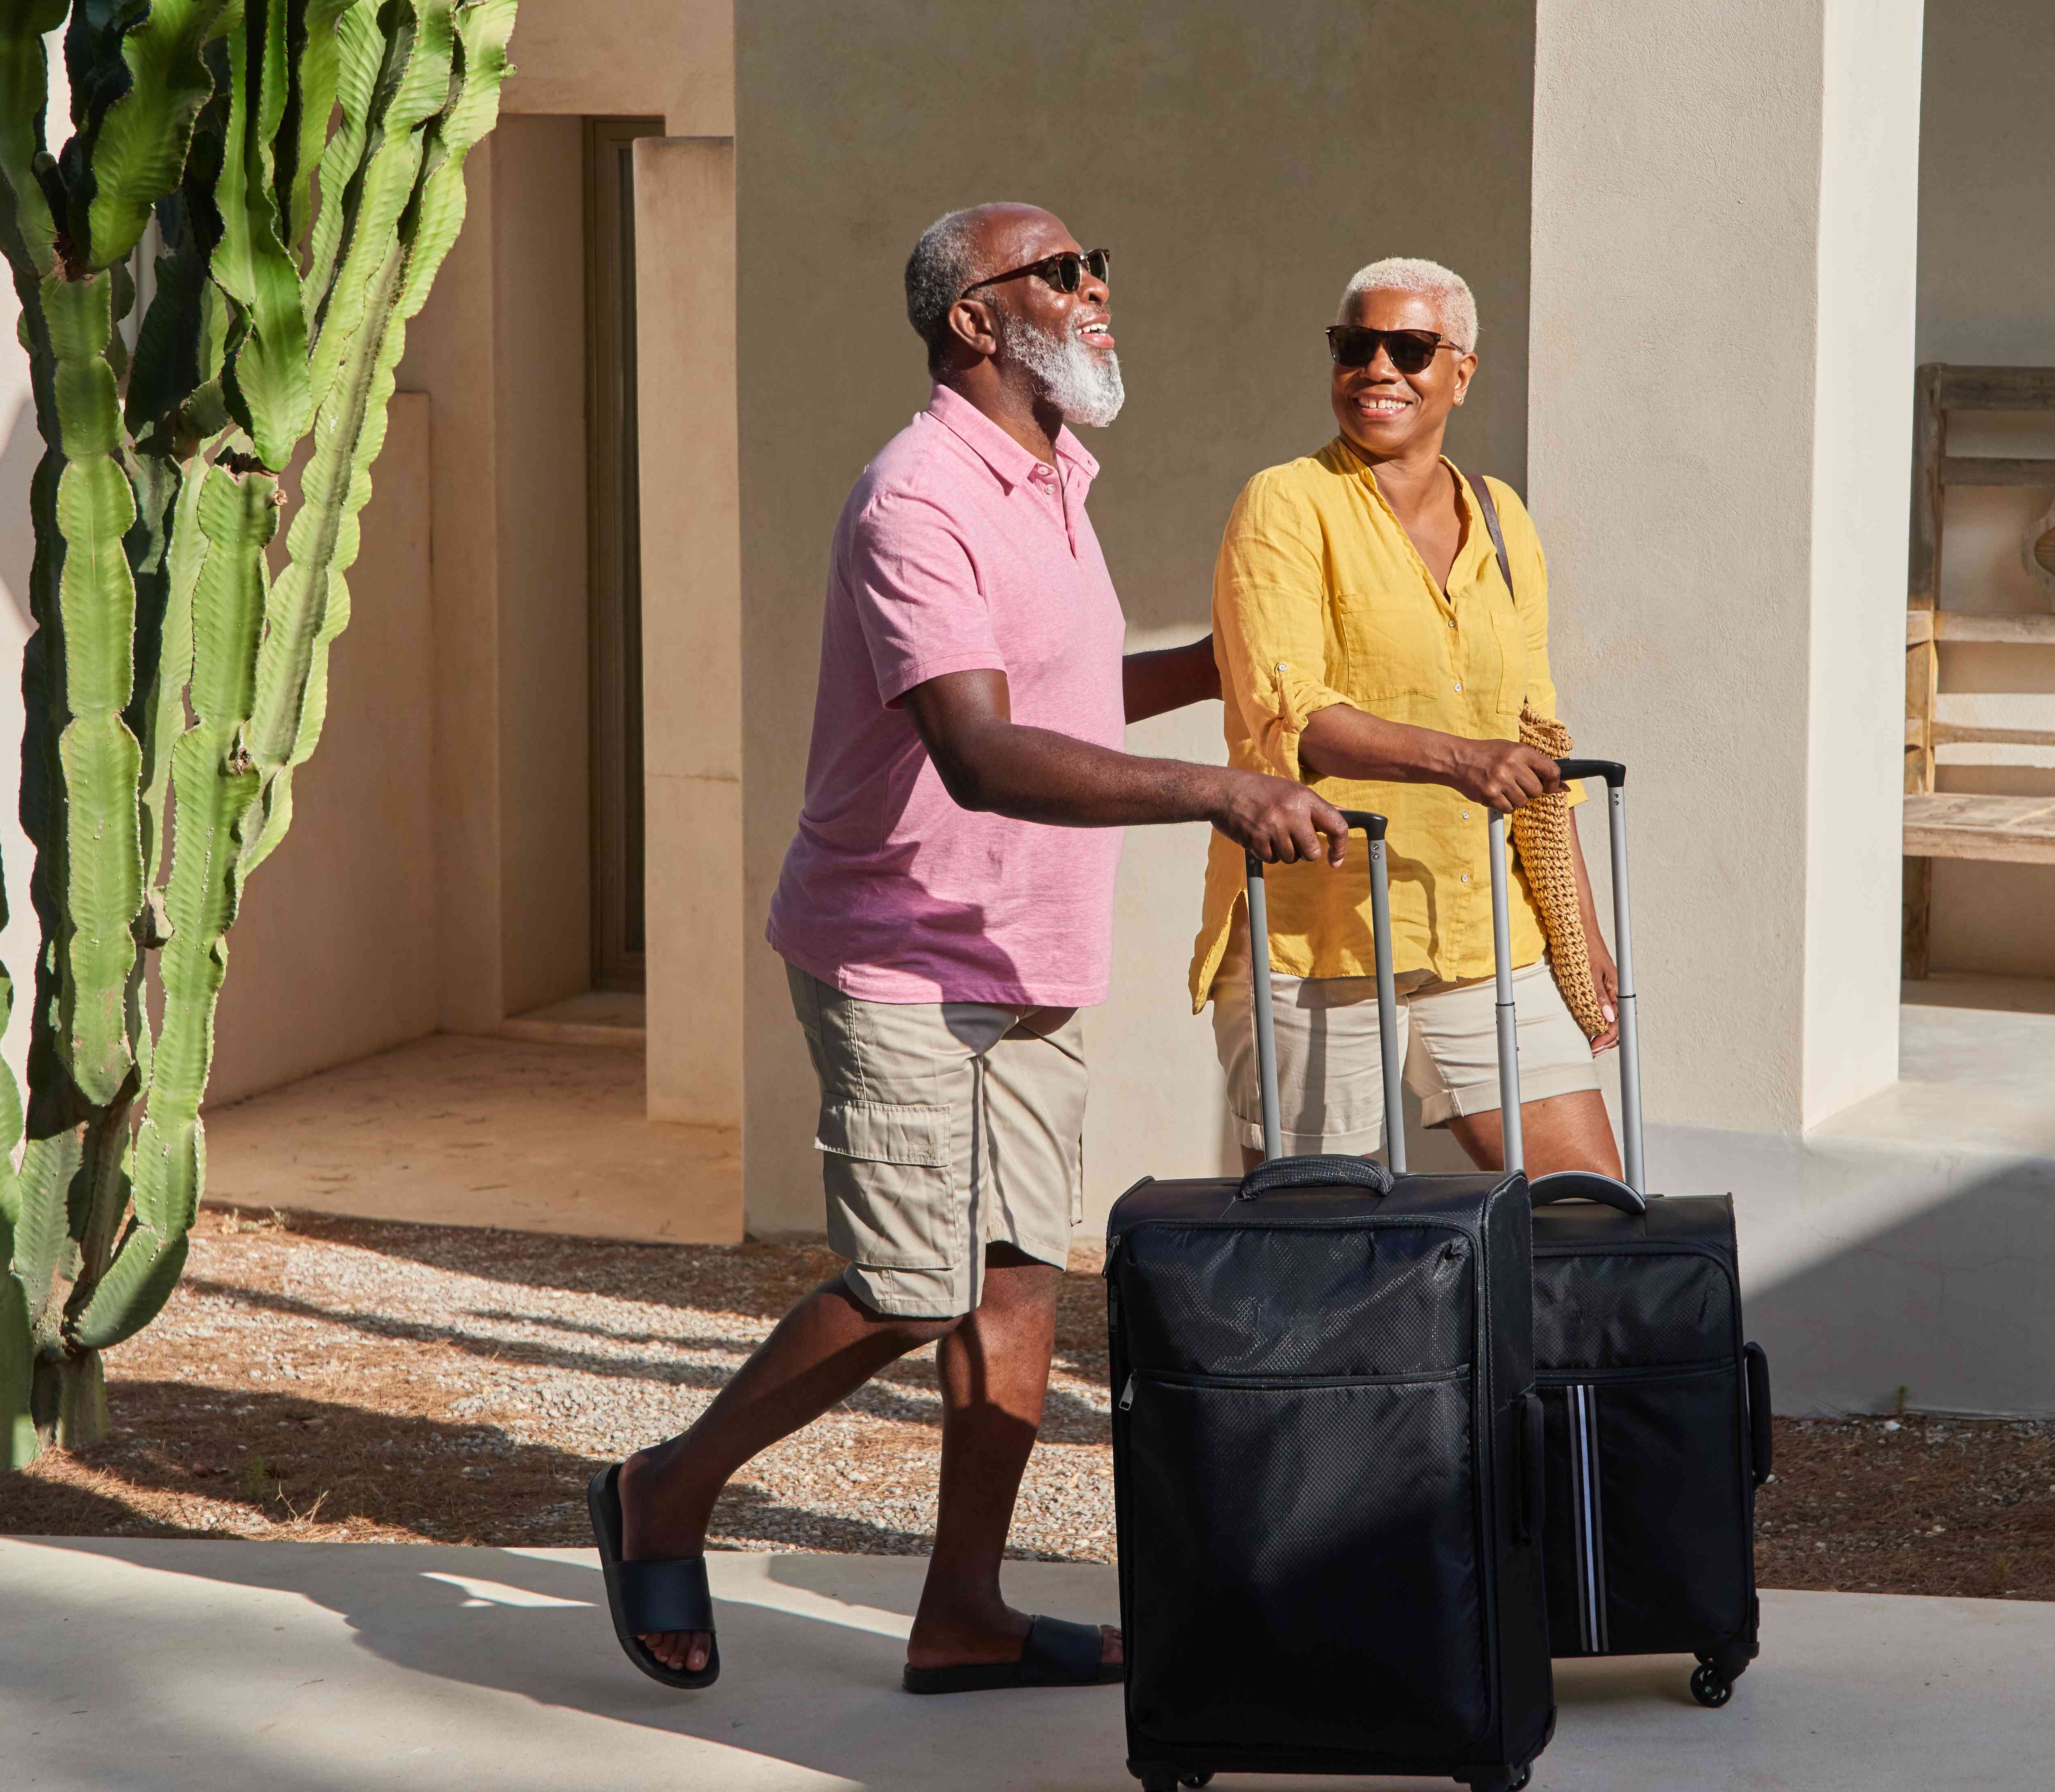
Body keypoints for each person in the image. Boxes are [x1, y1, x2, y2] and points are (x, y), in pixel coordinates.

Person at [592, 203, 1347, 1695]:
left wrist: (1216, 672)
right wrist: (1226, 789)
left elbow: (1058, 702)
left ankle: (963, 1616)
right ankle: (663, 1492)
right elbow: (986, 754)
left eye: (1099, 261)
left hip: (1031, 943)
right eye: (1062, 271)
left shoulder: (1057, 475)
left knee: (1014, 1288)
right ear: (977, 321)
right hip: (902, 950)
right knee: (908, 1285)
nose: (1099, 288)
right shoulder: (916, 501)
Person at [1192, 256, 1621, 1178]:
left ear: (1460, 373)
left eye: (1410, 348)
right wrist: (1461, 760)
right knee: (1321, 1254)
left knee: (1586, 1213)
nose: (1377, 368)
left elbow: (1538, 735)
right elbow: (1292, 716)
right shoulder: (1286, 502)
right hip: (1322, 936)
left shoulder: (1503, 519)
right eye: (1355, 345)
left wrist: (1577, 927)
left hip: (1487, 932)